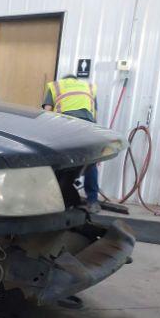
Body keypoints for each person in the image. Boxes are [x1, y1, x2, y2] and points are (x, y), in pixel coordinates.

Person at [42, 74, 101, 213]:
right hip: (86, 127)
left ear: (64, 80)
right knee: (90, 162)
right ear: (76, 80)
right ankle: (93, 202)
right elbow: (94, 114)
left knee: (57, 160)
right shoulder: (90, 88)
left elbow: (47, 111)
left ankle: (53, 199)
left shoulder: (55, 86)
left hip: (63, 125)